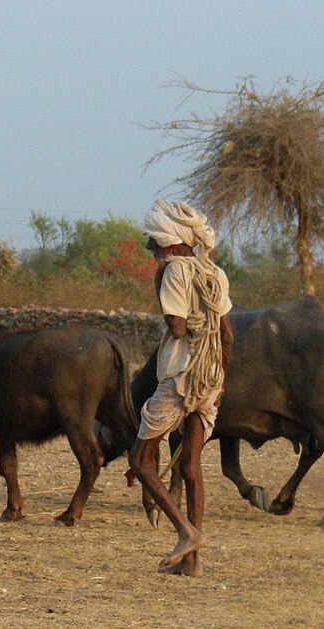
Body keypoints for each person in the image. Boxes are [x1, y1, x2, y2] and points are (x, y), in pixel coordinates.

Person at [127, 200, 233, 577]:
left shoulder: (174, 271)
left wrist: (162, 289)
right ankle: (192, 564)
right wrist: (218, 382)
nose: (150, 249)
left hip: (179, 376)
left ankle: (186, 533)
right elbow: (225, 333)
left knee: (139, 460)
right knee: (191, 466)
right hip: (210, 377)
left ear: (170, 243)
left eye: (153, 242)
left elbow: (175, 325)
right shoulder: (214, 272)